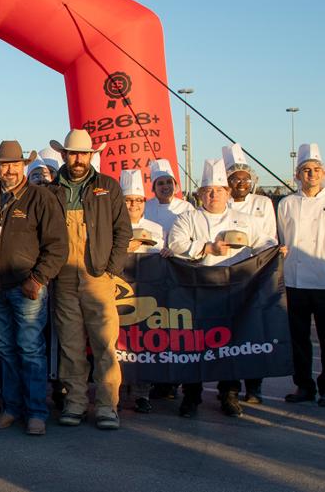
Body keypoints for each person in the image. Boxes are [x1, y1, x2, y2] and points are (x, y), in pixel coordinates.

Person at [168, 159, 275, 418]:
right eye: (208, 191)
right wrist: (206, 248)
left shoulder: (245, 219)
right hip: (197, 288)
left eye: (218, 190)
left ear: (227, 193)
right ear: (200, 194)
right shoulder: (189, 217)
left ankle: (229, 395)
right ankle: (191, 396)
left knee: (230, 343)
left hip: (235, 288)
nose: (213, 195)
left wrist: (275, 250)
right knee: (194, 343)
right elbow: (175, 244)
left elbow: (264, 242)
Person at [0, 141, 69, 437]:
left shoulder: (40, 198)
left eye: (15, 164)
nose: (9, 170)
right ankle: (11, 409)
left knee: (30, 350)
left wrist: (38, 279)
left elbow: (57, 245)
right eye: (4, 165)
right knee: (5, 351)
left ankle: (36, 412)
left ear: (23, 166)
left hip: (26, 287)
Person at [49, 129, 131, 431]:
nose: (78, 159)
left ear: (91, 156)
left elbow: (123, 230)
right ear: (64, 155)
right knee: (70, 345)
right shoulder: (51, 190)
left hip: (97, 276)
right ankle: (75, 403)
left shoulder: (107, 186)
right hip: (63, 277)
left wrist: (111, 269)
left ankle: (108, 406)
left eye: (83, 154)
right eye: (73, 153)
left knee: (104, 344)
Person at [278, 144, 325, 409]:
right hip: (295, 281)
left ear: (323, 173)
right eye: (306, 170)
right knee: (298, 340)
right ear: (297, 175)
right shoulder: (286, 204)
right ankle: (304, 386)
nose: (311, 174)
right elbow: (283, 238)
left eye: (316, 169)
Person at [222, 143, 276, 403]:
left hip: (255, 274)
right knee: (227, 333)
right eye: (235, 179)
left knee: (254, 330)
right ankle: (229, 388)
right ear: (227, 183)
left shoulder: (263, 203)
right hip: (227, 276)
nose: (241, 183)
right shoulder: (221, 204)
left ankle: (254, 386)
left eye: (245, 179)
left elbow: (269, 238)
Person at [117, 169, 166, 414]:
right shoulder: (112, 227)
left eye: (138, 200)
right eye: (128, 200)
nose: (134, 205)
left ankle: (142, 394)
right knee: (117, 344)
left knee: (143, 343)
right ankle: (115, 391)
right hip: (118, 294)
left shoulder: (156, 228)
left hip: (147, 295)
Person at [144, 159, 193, 238]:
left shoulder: (186, 207)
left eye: (169, 182)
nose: (165, 186)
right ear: (154, 188)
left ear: (175, 185)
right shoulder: (145, 207)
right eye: (160, 183)